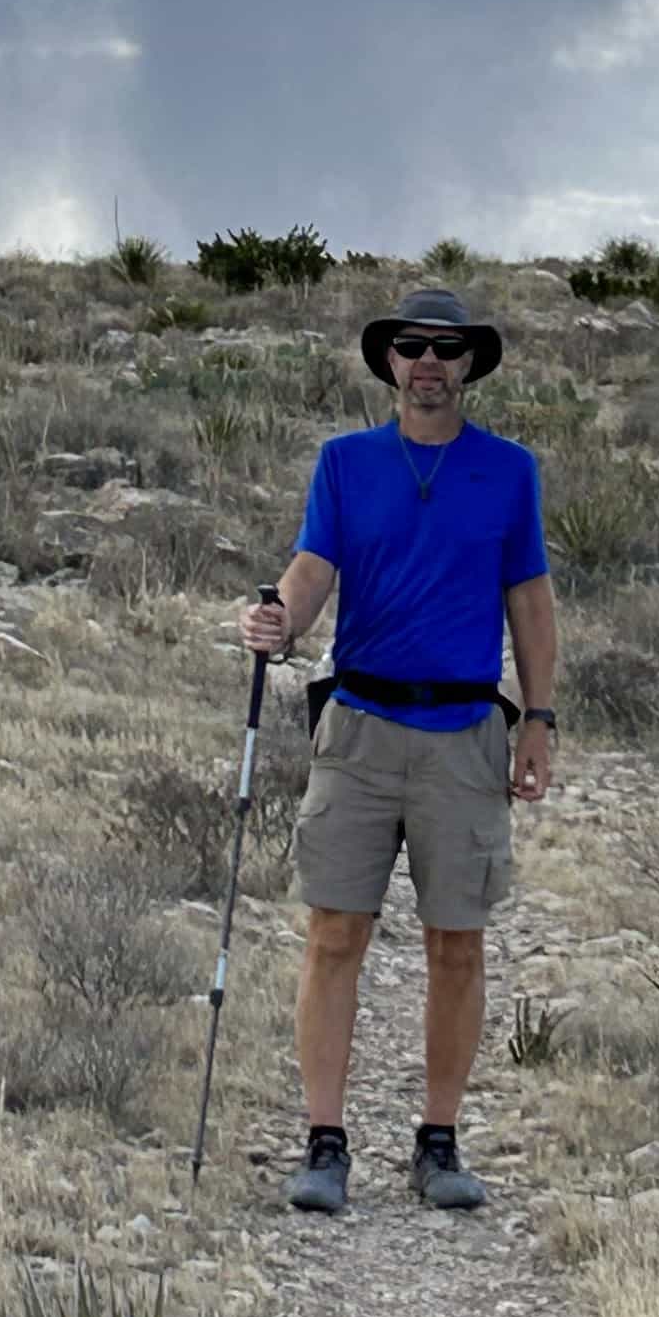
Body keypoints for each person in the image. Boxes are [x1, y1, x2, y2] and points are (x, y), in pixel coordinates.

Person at [239, 282, 557, 1217]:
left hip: (465, 733)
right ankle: (325, 1140)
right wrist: (280, 622)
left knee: (457, 944)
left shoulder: (509, 471)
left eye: (447, 350)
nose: (429, 363)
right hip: (362, 728)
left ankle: (439, 1139)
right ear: (388, 362)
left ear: (469, 366)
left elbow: (529, 603)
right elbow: (310, 571)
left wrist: (538, 720)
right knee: (335, 934)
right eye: (413, 347)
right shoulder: (345, 464)